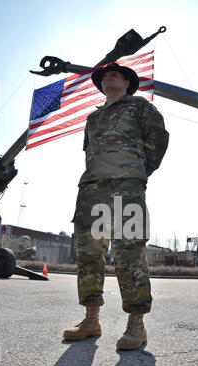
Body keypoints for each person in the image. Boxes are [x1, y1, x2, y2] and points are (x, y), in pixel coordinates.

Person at [63, 62, 169, 349]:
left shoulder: (138, 107)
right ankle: (91, 319)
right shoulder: (92, 118)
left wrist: (139, 169)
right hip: (92, 190)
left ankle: (136, 325)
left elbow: (158, 138)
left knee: (129, 251)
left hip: (126, 187)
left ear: (126, 83)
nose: (109, 75)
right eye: (105, 75)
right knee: (90, 253)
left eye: (116, 74)